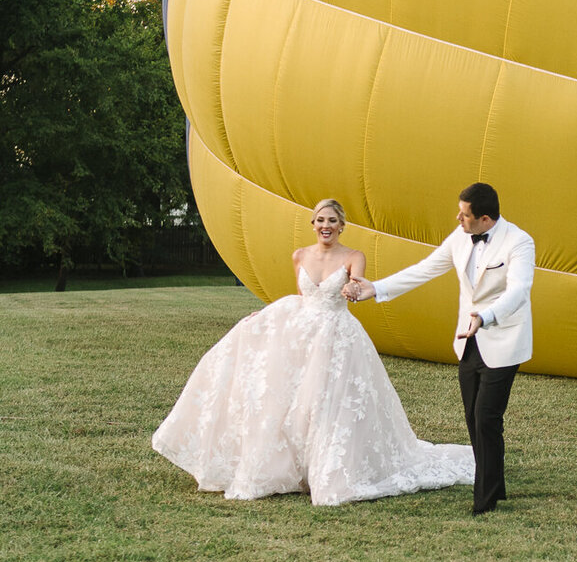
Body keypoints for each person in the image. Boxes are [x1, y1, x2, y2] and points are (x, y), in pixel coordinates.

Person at [152, 198, 474, 505]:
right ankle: (292, 468)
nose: (326, 226)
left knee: (325, 402)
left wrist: (353, 287)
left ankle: (326, 469)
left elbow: (360, 282)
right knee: (288, 401)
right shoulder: (300, 256)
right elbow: (302, 298)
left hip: (336, 337)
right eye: (321, 220)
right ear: (313, 224)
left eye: (332, 221)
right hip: (302, 337)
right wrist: (264, 318)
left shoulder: (353, 256)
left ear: (341, 226)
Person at [344, 183, 534, 515]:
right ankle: (496, 483)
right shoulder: (461, 236)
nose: (457, 218)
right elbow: (424, 269)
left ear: (485, 219)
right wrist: (376, 288)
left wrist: (486, 316)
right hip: (468, 339)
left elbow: (519, 290)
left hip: (503, 337)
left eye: (465, 214)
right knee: (473, 417)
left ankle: (484, 500)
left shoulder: (519, 242)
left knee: (486, 417)